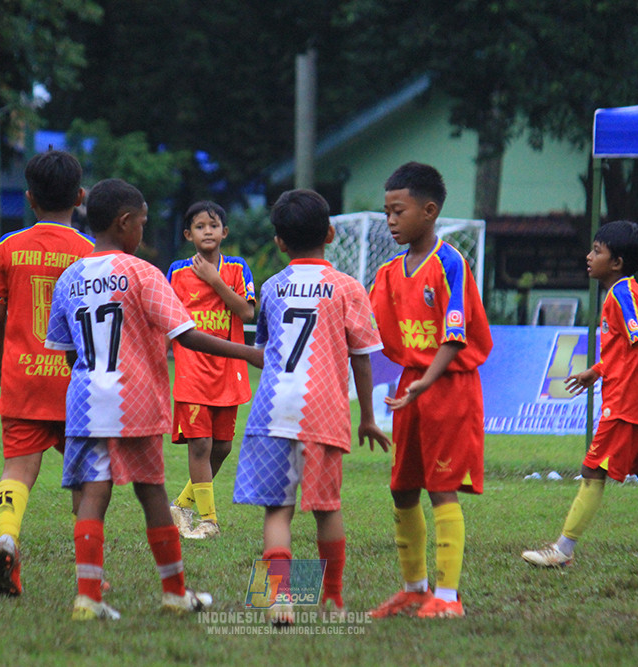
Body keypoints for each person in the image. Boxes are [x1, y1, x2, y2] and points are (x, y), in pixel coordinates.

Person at [45, 178, 263, 620]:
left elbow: (66, 350)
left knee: (94, 494)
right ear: (125, 222)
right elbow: (188, 334)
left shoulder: (69, 277)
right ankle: (175, 593)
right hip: (135, 400)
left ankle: (87, 597)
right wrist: (249, 353)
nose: (143, 231)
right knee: (152, 494)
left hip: (85, 401)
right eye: (142, 223)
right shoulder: (143, 273)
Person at [233, 189, 391, 625]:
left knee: (277, 510)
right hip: (322, 410)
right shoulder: (348, 288)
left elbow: (266, 349)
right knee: (326, 508)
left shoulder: (271, 287)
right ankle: (333, 600)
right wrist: (368, 418)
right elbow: (362, 358)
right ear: (331, 234)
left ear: (279, 242)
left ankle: (280, 599)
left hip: (272, 408)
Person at [521, 220, 638, 570]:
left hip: (625, 404)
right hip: (635, 402)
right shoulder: (625, 291)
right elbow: (622, 348)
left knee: (592, 470)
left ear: (616, 262)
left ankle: (563, 550)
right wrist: (596, 371)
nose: (589, 257)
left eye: (597, 251)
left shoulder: (621, 294)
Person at [367, 162, 492, 620]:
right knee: (402, 488)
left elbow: (455, 336)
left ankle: (449, 597)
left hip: (448, 386)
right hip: (412, 387)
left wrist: (428, 380)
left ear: (429, 210)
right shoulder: (389, 273)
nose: (391, 220)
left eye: (398, 211)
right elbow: (366, 327)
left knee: (442, 488)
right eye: (387, 212)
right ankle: (414, 589)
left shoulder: (451, 263)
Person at [0, 149, 95, 596]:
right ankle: (89, 575)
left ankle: (8, 536)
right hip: (76, 382)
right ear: (80, 197)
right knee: (86, 478)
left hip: (23, 378)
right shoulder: (90, 253)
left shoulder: (9, 247)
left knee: (16, 470)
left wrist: (0, 364)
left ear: (29, 198)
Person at [166, 201, 256, 539]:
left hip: (227, 373)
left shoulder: (237, 268)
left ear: (225, 232)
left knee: (222, 448)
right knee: (200, 446)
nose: (207, 231)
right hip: (191, 373)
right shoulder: (176, 272)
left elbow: (246, 313)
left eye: (213, 225)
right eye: (200, 226)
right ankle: (209, 521)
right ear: (188, 234)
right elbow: (165, 318)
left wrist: (215, 281)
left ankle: (180, 505)